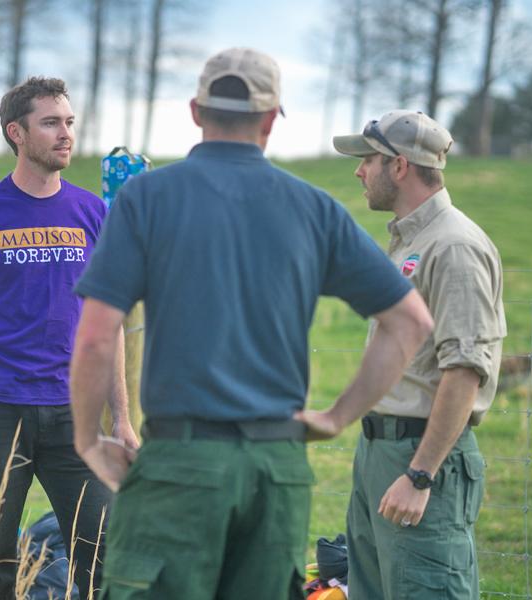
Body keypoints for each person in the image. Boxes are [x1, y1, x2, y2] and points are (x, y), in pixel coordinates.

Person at [69, 48, 434, 599]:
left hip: (178, 465)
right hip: (275, 468)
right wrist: (335, 417)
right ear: (271, 119)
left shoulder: (146, 197)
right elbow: (409, 321)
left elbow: (97, 336)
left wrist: (86, 440)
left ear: (196, 111)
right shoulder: (314, 208)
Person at [0, 76, 137, 599]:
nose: (65, 134)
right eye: (51, 123)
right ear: (15, 132)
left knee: (105, 552)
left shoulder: (94, 214)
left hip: (76, 415)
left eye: (68, 122)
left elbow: (107, 322)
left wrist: (124, 418)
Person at [331, 110, 506, 598]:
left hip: (421, 457)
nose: (359, 171)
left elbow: (466, 368)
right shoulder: (412, 241)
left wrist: (421, 474)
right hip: (380, 453)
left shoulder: (454, 246)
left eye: (367, 160)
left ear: (400, 165)